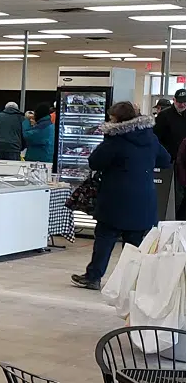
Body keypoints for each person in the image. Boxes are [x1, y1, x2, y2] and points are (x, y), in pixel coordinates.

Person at [72, 102, 172, 289]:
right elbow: (165, 160)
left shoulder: (115, 140)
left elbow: (94, 162)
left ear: (117, 119)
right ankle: (134, 281)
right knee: (135, 244)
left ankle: (94, 276)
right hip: (144, 198)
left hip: (115, 198)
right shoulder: (150, 138)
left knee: (105, 237)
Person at [154, 89, 185, 220]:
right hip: (171, 163)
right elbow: (156, 139)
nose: (182, 105)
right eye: (179, 102)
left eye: (185, 102)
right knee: (175, 197)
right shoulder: (164, 116)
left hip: (184, 162)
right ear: (174, 100)